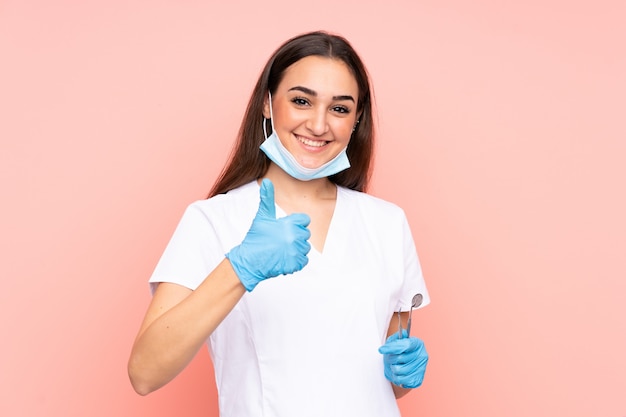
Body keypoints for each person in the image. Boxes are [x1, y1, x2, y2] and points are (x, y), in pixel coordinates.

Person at [128, 30, 430, 417]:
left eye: (339, 108)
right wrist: (240, 268)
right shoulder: (212, 221)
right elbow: (144, 373)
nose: (319, 125)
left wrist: (403, 373)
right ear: (268, 104)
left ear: (357, 120)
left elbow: (385, 382)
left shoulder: (387, 223)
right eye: (301, 101)